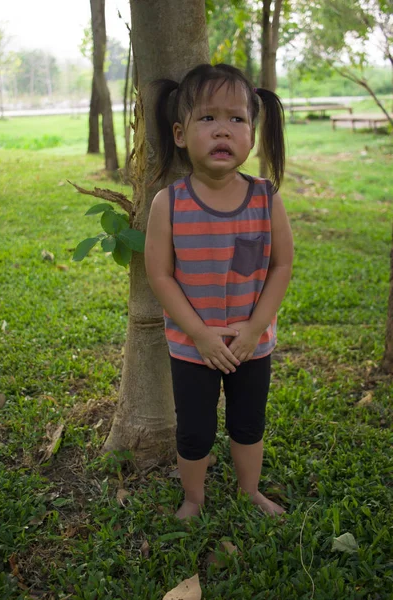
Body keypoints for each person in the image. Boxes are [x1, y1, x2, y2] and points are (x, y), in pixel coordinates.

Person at [144, 63, 294, 520]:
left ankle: (251, 492)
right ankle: (194, 497)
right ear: (179, 133)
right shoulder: (169, 202)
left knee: (248, 425)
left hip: (252, 345)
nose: (222, 130)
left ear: (252, 132)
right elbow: (161, 276)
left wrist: (254, 329)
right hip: (194, 348)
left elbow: (281, 264)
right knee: (195, 430)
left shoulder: (265, 196)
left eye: (236, 119)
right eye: (207, 119)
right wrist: (201, 335)